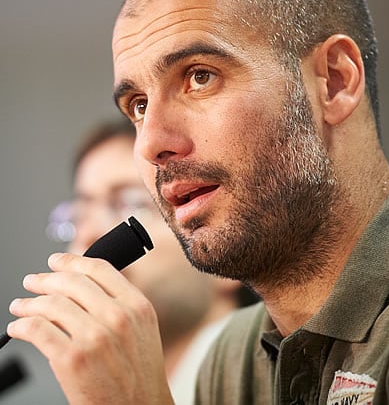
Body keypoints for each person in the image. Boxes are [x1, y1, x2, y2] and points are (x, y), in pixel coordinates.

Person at [8, 0, 389, 404]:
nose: (151, 143)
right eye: (137, 105)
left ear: (334, 83)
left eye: (199, 77)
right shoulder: (230, 358)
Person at [46, 118, 258, 404]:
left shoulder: (271, 382)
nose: (89, 234)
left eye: (133, 203)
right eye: (81, 213)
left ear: (228, 257)